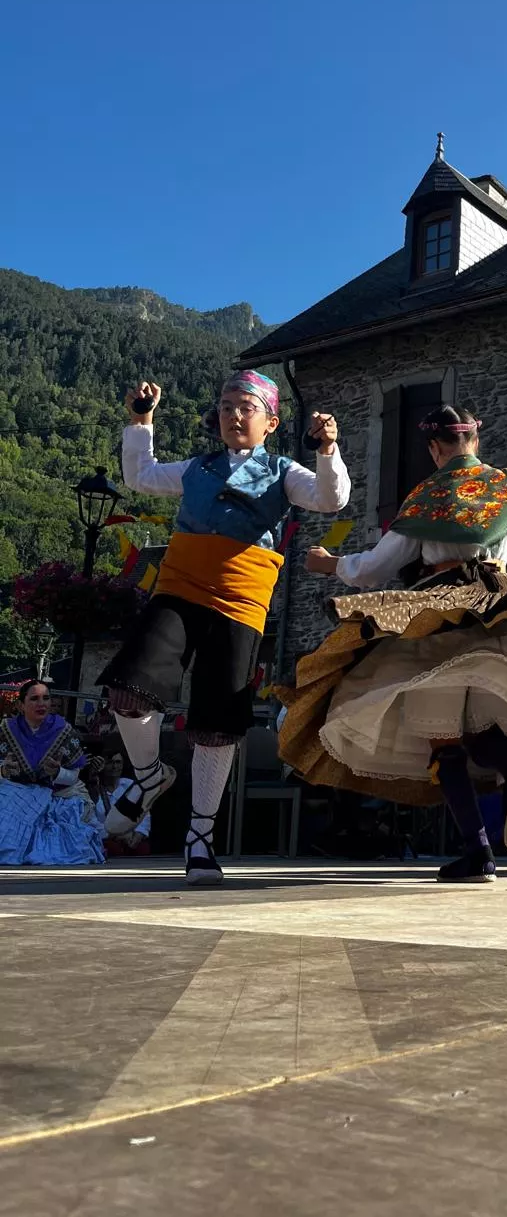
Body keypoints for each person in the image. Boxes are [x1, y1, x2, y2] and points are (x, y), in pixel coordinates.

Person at [278, 399, 507, 884]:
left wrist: (332, 564)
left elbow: (378, 567)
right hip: (500, 606)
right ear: (475, 441)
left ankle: (477, 852)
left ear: (434, 449)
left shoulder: (427, 496)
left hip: (441, 609)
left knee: (444, 739)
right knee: (483, 731)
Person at [99, 372, 350, 887]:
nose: (234, 414)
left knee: (217, 720)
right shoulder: (198, 467)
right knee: (129, 687)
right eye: (226, 405)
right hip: (180, 584)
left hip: (240, 598)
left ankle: (200, 841)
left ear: (271, 422)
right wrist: (141, 420)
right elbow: (141, 476)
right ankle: (148, 777)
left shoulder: (285, 471)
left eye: (246, 407)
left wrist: (328, 448)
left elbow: (332, 500)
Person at [0, 680, 105, 866]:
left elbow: (73, 775)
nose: (41, 704)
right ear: (20, 705)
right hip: (16, 788)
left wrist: (57, 772)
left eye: (46, 698)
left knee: (66, 827)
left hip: (56, 792)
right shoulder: (7, 729)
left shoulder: (63, 731)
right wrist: (3, 769)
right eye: (34, 699)